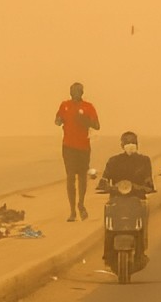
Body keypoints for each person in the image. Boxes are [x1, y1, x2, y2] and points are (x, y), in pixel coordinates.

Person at [99, 131, 155, 271]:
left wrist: (146, 187)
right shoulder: (113, 161)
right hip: (116, 199)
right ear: (122, 145)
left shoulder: (144, 160)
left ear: (137, 144)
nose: (130, 145)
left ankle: (141, 252)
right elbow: (105, 178)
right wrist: (104, 184)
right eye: (127, 142)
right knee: (109, 220)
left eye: (133, 142)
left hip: (137, 199)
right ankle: (107, 253)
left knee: (143, 218)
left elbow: (148, 181)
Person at [54, 81, 100, 222]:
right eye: (73, 90)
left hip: (83, 147)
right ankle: (72, 210)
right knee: (70, 177)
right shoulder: (65, 105)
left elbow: (97, 125)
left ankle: (81, 204)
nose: (75, 93)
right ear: (70, 92)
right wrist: (60, 119)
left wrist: (85, 120)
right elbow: (57, 121)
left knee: (82, 178)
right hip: (68, 147)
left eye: (78, 91)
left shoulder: (88, 107)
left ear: (82, 92)